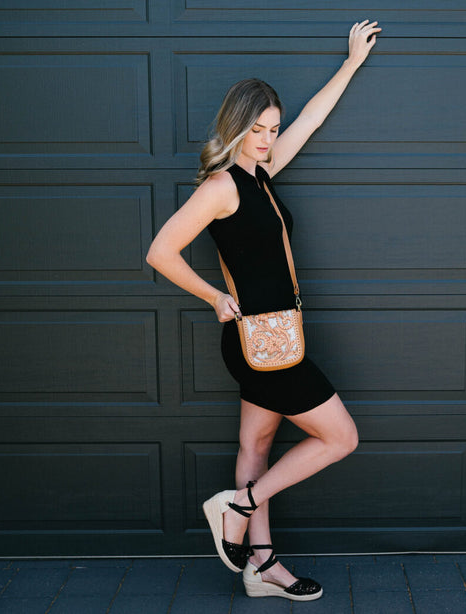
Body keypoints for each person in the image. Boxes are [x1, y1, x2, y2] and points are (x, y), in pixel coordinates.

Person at [145, 20, 381, 601]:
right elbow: (160, 251)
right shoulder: (221, 187)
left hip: (278, 337)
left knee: (255, 447)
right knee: (341, 437)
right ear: (235, 126)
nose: (267, 139)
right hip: (257, 342)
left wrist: (351, 64)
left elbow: (311, 121)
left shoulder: (263, 176)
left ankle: (262, 566)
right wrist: (213, 296)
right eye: (257, 130)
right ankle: (238, 506)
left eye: (272, 129)